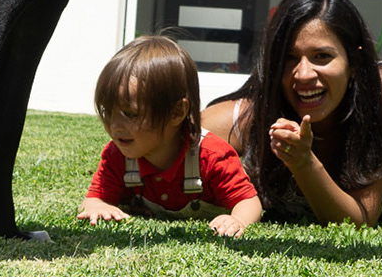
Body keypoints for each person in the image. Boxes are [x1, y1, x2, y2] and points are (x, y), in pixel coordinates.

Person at [202, 0, 382, 226]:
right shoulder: (252, 116)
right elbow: (174, 136)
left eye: (322, 56)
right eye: (290, 58)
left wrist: (303, 163)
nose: (304, 74)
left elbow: (362, 219)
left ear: (354, 62)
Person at [79, 35, 263, 237]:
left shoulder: (212, 155)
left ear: (176, 113)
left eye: (130, 114)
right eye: (107, 111)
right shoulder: (117, 155)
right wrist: (97, 207)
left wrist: (237, 220)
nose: (114, 126)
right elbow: (94, 199)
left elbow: (249, 201)